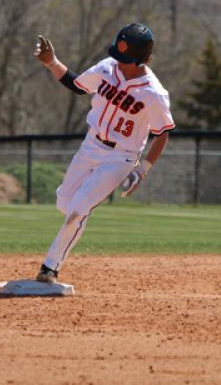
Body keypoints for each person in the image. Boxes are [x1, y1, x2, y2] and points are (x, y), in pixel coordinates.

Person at [33, 23, 175, 283]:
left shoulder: (153, 93)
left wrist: (142, 170)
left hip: (120, 157)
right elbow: (78, 86)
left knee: (79, 207)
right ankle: (76, 222)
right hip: (91, 145)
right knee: (65, 202)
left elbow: (162, 133)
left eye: (126, 58)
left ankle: (49, 268)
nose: (119, 61)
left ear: (142, 58)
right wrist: (52, 62)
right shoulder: (107, 67)